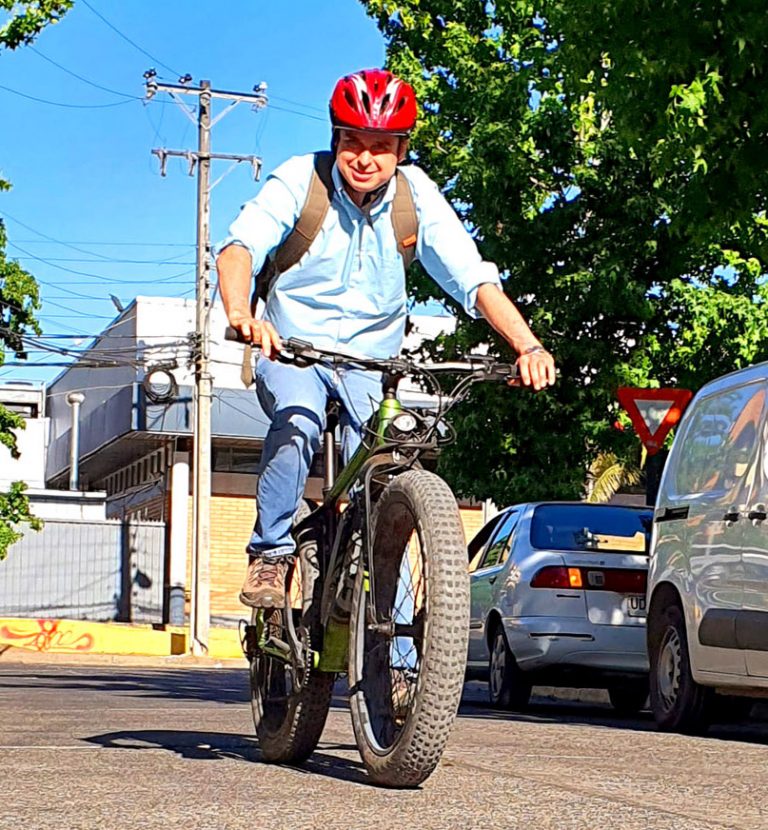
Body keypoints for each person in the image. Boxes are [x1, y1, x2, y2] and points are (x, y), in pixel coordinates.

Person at [216, 68, 556, 608]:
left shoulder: (415, 196)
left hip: (369, 362)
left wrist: (527, 345)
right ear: (336, 140)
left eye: (381, 146)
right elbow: (239, 248)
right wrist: (241, 314)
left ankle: (362, 577)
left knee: (383, 462)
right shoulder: (301, 180)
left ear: (401, 150)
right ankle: (272, 554)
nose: (365, 159)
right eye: (354, 143)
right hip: (292, 348)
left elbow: (473, 277)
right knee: (299, 420)